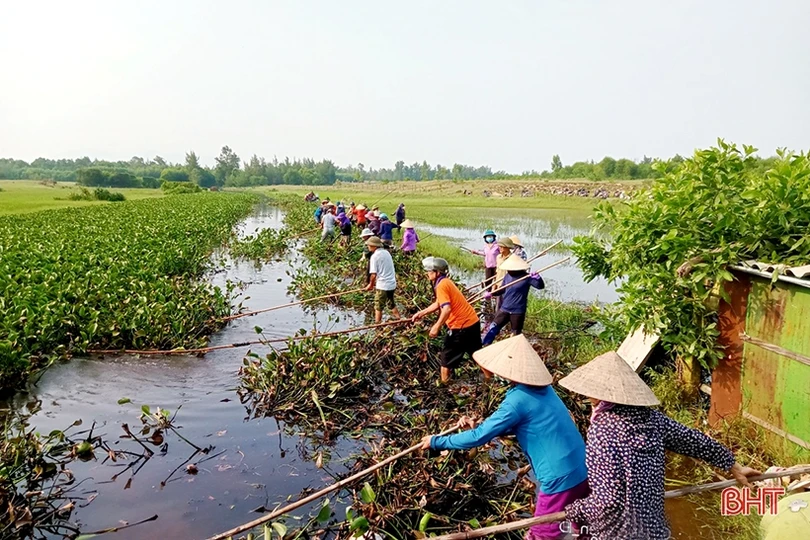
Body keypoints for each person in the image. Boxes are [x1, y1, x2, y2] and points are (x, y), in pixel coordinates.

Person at [558, 351, 761, 540]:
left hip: (617, 532)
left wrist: (575, 510)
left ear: (600, 394)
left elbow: (607, 500)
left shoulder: (602, 430)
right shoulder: (652, 419)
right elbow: (694, 440)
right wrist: (735, 466)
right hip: (654, 531)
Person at [421, 334, 589, 540]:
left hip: (559, 478)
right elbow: (525, 425)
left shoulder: (517, 400)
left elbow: (478, 438)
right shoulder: (545, 390)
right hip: (583, 467)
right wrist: (481, 425)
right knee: (581, 528)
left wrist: (436, 441)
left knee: (540, 536)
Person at [412, 257, 483, 383]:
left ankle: (444, 385)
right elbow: (439, 303)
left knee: (445, 358)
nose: (427, 273)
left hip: (461, 326)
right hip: (473, 321)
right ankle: (489, 379)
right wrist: (421, 313)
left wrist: (436, 326)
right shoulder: (445, 282)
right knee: (477, 354)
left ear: (437, 272)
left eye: (430, 271)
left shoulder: (441, 285)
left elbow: (446, 309)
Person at [482, 254, 544, 345]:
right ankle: (485, 345)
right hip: (505, 308)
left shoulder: (526, 277)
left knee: (515, 335)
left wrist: (538, 278)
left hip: (517, 311)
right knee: (493, 327)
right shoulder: (507, 276)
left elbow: (540, 286)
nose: (508, 270)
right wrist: (491, 294)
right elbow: (502, 289)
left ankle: (512, 353)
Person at [364, 236, 402, 323]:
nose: (368, 247)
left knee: (378, 306)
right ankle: (399, 319)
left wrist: (370, 285)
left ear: (374, 246)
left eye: (369, 245)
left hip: (383, 285)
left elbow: (373, 275)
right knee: (391, 303)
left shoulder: (374, 256)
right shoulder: (386, 253)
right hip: (392, 284)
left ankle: (377, 325)